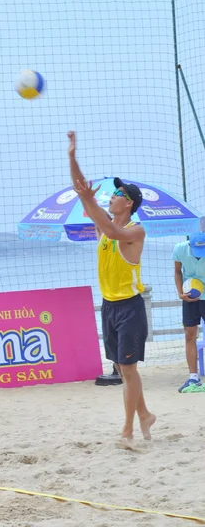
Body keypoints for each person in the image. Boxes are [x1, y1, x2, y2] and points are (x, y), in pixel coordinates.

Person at [67, 131, 156, 441]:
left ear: (128, 202)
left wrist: (90, 201)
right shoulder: (105, 228)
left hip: (130, 307)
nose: (112, 195)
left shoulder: (135, 231)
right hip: (109, 307)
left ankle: (129, 429)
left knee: (127, 371)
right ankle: (144, 415)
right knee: (123, 367)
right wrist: (72, 158)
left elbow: (107, 225)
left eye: (117, 193)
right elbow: (82, 192)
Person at [173, 229, 205, 393]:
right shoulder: (180, 248)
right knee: (189, 335)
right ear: (190, 245)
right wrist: (180, 293)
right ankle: (193, 377)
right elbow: (178, 271)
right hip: (189, 296)